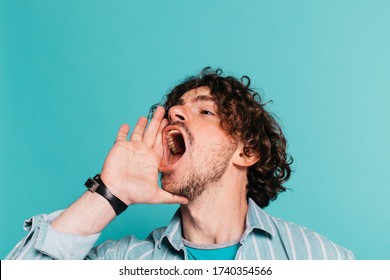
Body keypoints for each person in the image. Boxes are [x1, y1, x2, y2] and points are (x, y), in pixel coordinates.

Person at [6, 67, 354, 260]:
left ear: (246, 152)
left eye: (204, 111)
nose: (173, 113)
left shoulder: (314, 258)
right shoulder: (126, 261)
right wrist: (111, 193)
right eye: (176, 109)